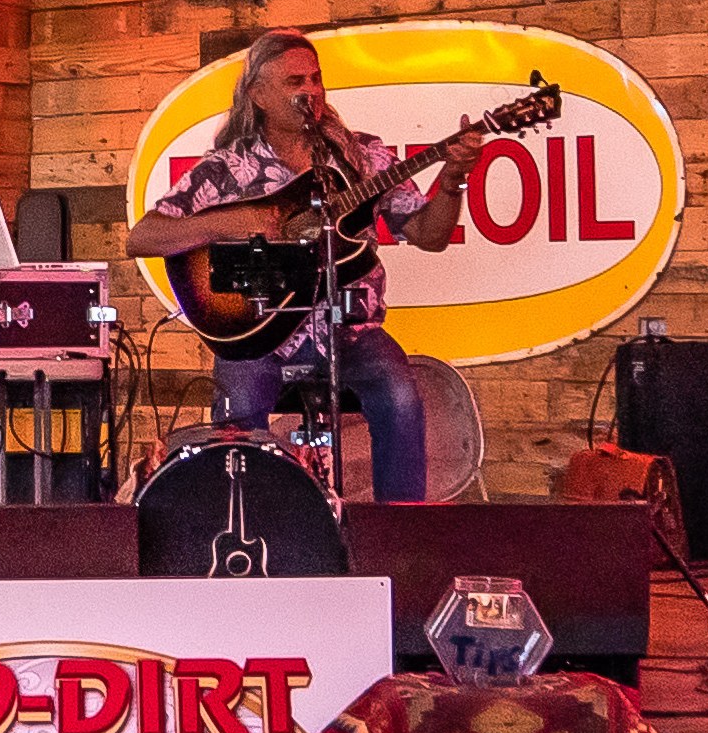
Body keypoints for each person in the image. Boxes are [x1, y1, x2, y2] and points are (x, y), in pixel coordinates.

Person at [123, 28, 469, 503]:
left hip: (351, 331)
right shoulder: (227, 169)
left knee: (401, 394)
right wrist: (235, 220)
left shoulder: (359, 157)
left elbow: (430, 236)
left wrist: (451, 179)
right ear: (259, 95)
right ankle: (252, 529)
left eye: (315, 79)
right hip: (257, 337)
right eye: (293, 82)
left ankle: (399, 537)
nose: (309, 90)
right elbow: (143, 237)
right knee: (239, 411)